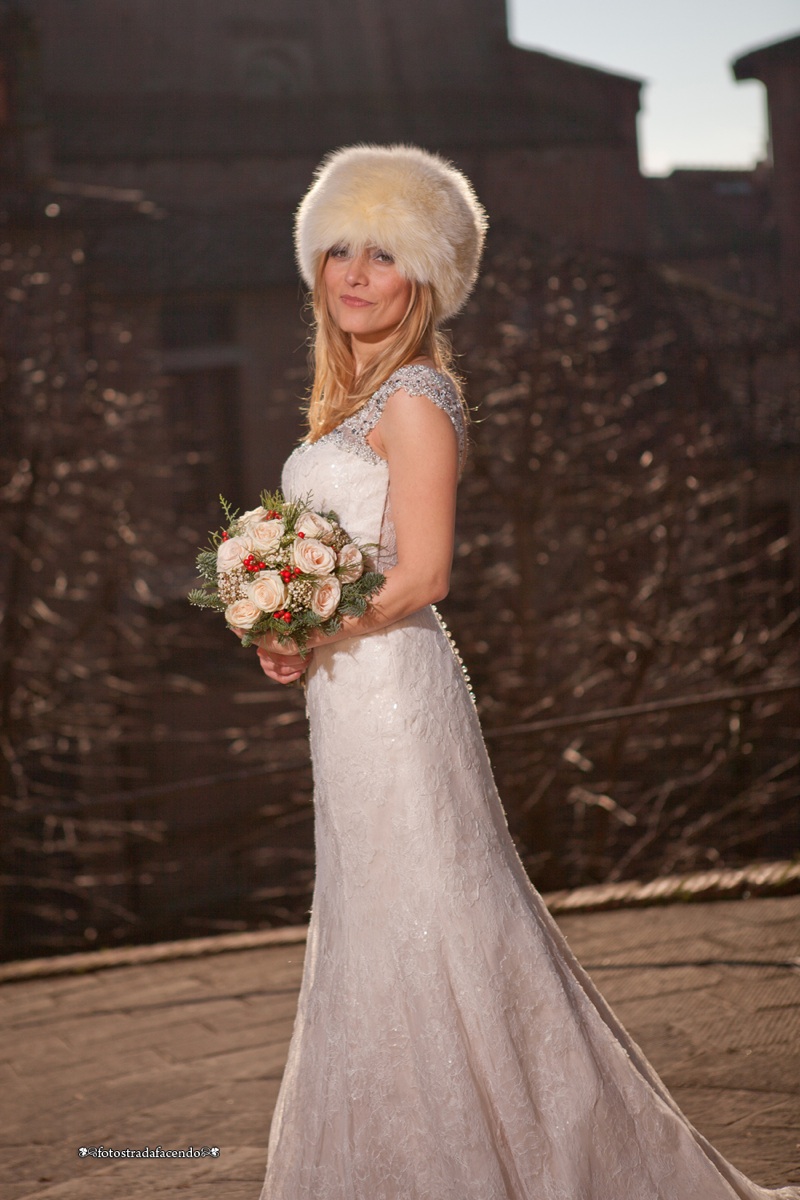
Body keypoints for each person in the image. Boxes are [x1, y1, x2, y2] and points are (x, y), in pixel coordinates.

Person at [252, 144, 799, 1199]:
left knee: (443, 910)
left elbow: (424, 573)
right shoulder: (346, 406)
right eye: (339, 252)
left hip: (397, 694)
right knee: (372, 917)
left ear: (423, 279)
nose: (356, 273)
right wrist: (280, 626)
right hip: (345, 700)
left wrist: (310, 622)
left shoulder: (413, 397)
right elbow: (336, 565)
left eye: (383, 254)